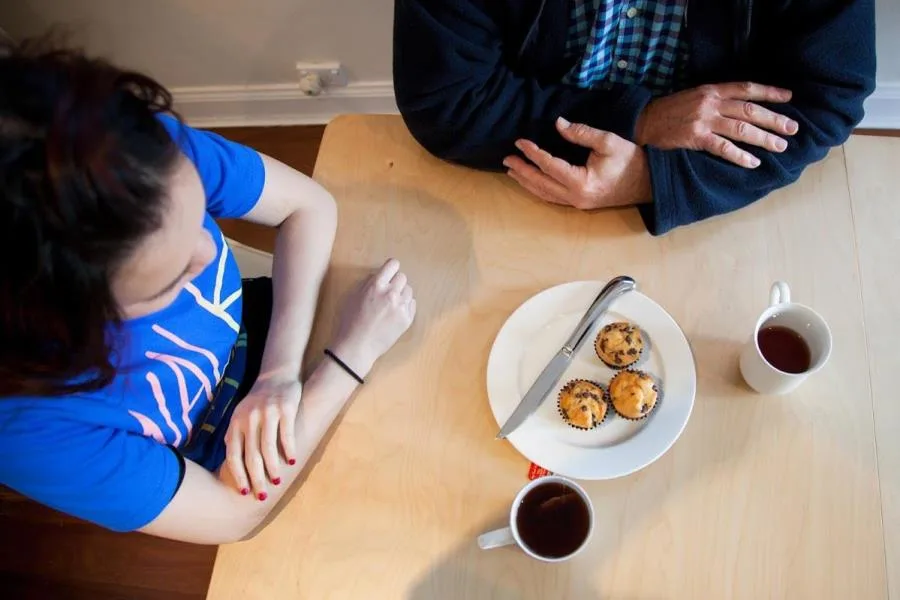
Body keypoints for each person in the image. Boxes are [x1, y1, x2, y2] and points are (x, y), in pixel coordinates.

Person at [0, 40, 417, 544]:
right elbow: (230, 515)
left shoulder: (122, 155)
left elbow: (309, 206)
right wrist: (350, 356)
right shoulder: (29, 427)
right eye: (173, 277)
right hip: (233, 467)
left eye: (197, 215)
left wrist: (278, 373)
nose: (211, 250)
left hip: (283, 331)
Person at [393, 0, 876, 235]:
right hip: (507, 184)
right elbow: (445, 98)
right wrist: (640, 120)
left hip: (708, 193)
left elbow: (825, 99)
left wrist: (653, 181)